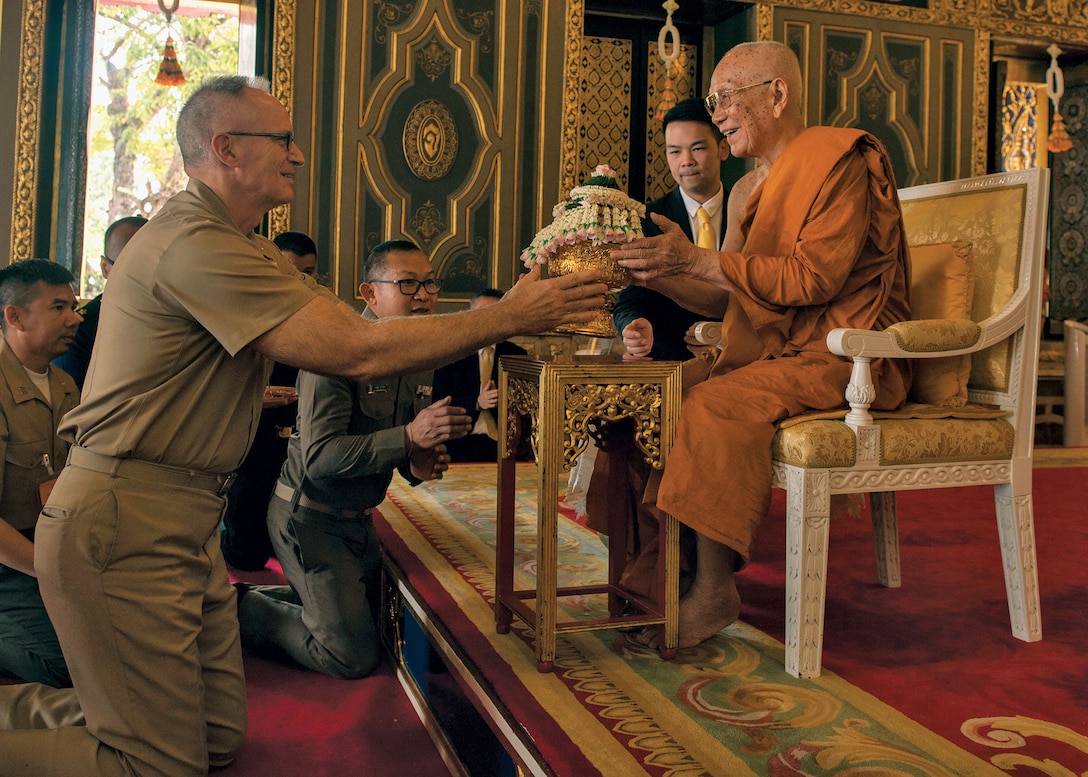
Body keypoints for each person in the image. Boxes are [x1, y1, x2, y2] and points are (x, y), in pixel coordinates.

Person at [0, 74, 605, 777]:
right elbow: (359, 350)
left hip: (180, 517)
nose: (297, 155)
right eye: (282, 140)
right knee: (158, 763)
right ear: (227, 149)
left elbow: (356, 330)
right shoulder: (195, 242)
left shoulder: (244, 246)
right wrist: (508, 315)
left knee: (214, 739)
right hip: (125, 518)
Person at [611, 41, 912, 649]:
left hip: (845, 357)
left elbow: (812, 280)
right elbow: (739, 302)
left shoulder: (840, 161)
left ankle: (715, 590)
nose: (717, 113)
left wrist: (696, 257)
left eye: (726, 98)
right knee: (651, 396)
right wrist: (659, 272)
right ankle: (667, 574)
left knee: (713, 405)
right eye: (714, 101)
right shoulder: (750, 191)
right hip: (776, 353)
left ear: (776, 94)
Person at [237, 239, 468, 677]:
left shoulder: (419, 350)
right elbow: (320, 459)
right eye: (408, 284)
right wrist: (407, 437)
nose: (424, 296)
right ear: (369, 294)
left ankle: (313, 604)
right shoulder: (336, 354)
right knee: (353, 656)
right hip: (310, 520)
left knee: (388, 624)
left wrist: (418, 461)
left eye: (430, 283)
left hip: (359, 520)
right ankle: (238, 606)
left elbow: (404, 447)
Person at [0, 260, 81, 688]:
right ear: (14, 316)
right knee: (68, 667)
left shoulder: (66, 386)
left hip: (50, 550)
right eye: (58, 308)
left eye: (73, 305)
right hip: (12, 561)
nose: (75, 317)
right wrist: (53, 571)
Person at [219, 230, 318, 571]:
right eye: (292, 271)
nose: (301, 280)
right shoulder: (242, 312)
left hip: (297, 445)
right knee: (245, 554)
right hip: (250, 442)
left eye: (309, 272)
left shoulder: (317, 318)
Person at [612, 97, 729, 362]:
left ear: (723, 148)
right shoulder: (646, 221)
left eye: (697, 149)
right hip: (671, 366)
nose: (686, 161)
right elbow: (630, 299)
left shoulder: (749, 211)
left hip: (743, 362)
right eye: (675, 151)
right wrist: (633, 326)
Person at [432, 288, 528, 462]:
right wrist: (477, 402)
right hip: (460, 444)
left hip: (503, 445)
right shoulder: (452, 354)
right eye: (481, 314)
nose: (487, 321)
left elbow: (526, 407)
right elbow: (439, 402)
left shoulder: (517, 356)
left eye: (494, 314)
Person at [52, 216, 147, 389]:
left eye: (148, 263)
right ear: (105, 268)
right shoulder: (81, 329)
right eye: (129, 266)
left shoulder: (176, 315)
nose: (141, 274)